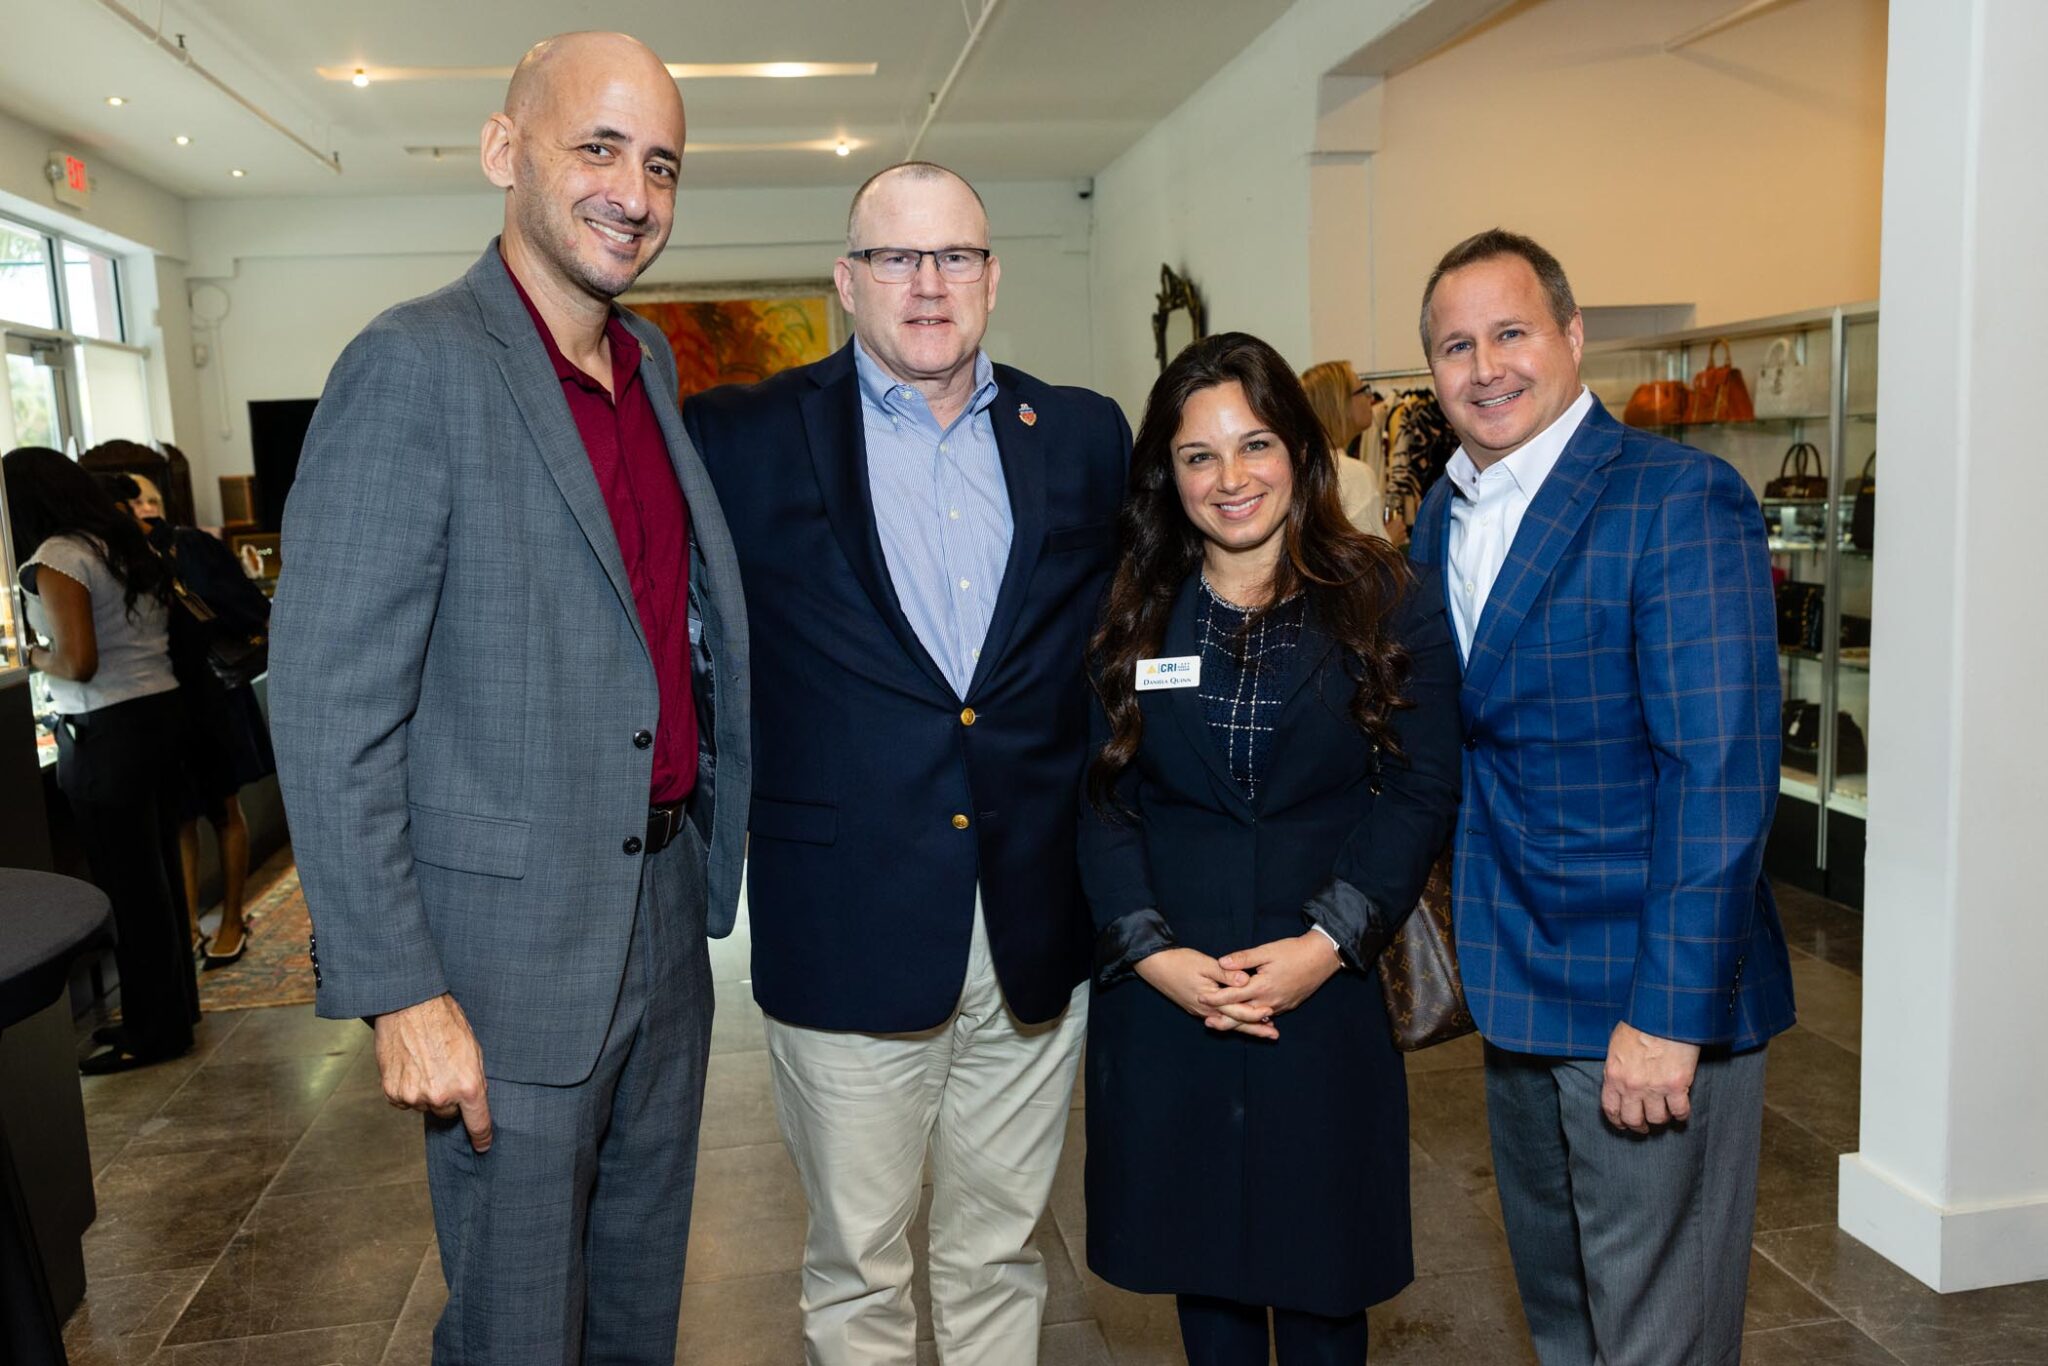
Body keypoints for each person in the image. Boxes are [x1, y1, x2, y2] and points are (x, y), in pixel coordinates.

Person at [267, 31, 750, 1365]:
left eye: (662, 164)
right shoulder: (413, 365)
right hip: (503, 967)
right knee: (517, 1331)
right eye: (598, 148)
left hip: (664, 924)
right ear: (503, 150)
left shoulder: (648, 368)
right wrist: (399, 990)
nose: (633, 194)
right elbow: (328, 705)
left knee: (636, 1320)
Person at [682, 161, 1128, 1364]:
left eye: (955, 256)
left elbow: (1120, 646)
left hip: (1033, 917)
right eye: (895, 256)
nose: (928, 283)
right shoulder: (738, 436)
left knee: (999, 1251)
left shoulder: (1079, 433)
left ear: (992, 276)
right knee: (859, 1267)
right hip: (845, 917)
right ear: (846, 279)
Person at [1406, 229, 1796, 1365]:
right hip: (1515, 987)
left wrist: (1669, 1018)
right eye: (1455, 346)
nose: (1485, 367)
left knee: (1659, 1335)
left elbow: (1717, 777)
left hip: (1644, 994)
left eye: (1511, 332)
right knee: (1566, 1319)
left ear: (1572, 336)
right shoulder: (1443, 512)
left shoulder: (1676, 499)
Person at [1076, 333, 1462, 1364]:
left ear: (1297, 447)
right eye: (1197, 455)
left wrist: (1326, 943)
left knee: (1325, 1269)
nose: (1229, 478)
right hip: (1173, 992)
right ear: (1167, 474)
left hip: (1325, 986)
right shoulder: (1131, 607)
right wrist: (1149, 952)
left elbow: (1419, 788)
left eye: (1253, 445)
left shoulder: (1387, 597)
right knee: (1205, 1270)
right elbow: (1100, 798)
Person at [5, 447, 197, 1073]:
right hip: (158, 715)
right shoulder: (118, 543)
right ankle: (171, 1014)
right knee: (156, 881)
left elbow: (78, 661)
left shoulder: (58, 557)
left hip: (107, 732)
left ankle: (152, 1033)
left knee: (130, 889)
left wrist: (30, 654)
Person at [105, 471, 274, 968]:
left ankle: (232, 919)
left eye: (151, 499)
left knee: (223, 809)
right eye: (136, 500)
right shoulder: (113, 558)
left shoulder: (190, 546)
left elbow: (248, 608)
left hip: (212, 693)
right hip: (161, 700)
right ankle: (187, 927)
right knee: (180, 816)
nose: (144, 508)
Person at [1299, 359, 1388, 538]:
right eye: (1363, 390)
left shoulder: (1302, 467)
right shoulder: (1354, 474)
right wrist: (1392, 536)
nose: (1371, 398)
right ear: (1339, 403)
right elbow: (1370, 552)